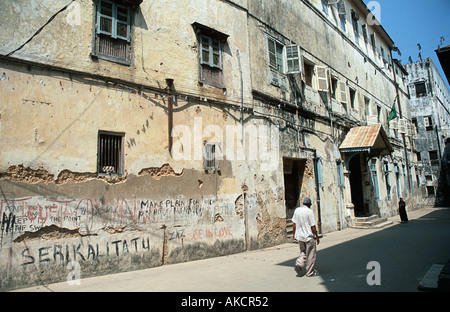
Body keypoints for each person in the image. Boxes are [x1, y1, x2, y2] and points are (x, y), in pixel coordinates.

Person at [292, 197, 320, 277]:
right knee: (311, 253)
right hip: (308, 236)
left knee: (303, 252)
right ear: (308, 204)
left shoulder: (297, 210)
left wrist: (294, 234)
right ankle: (310, 272)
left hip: (300, 236)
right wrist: (316, 236)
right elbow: (312, 226)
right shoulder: (309, 211)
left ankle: (299, 264)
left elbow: (294, 223)